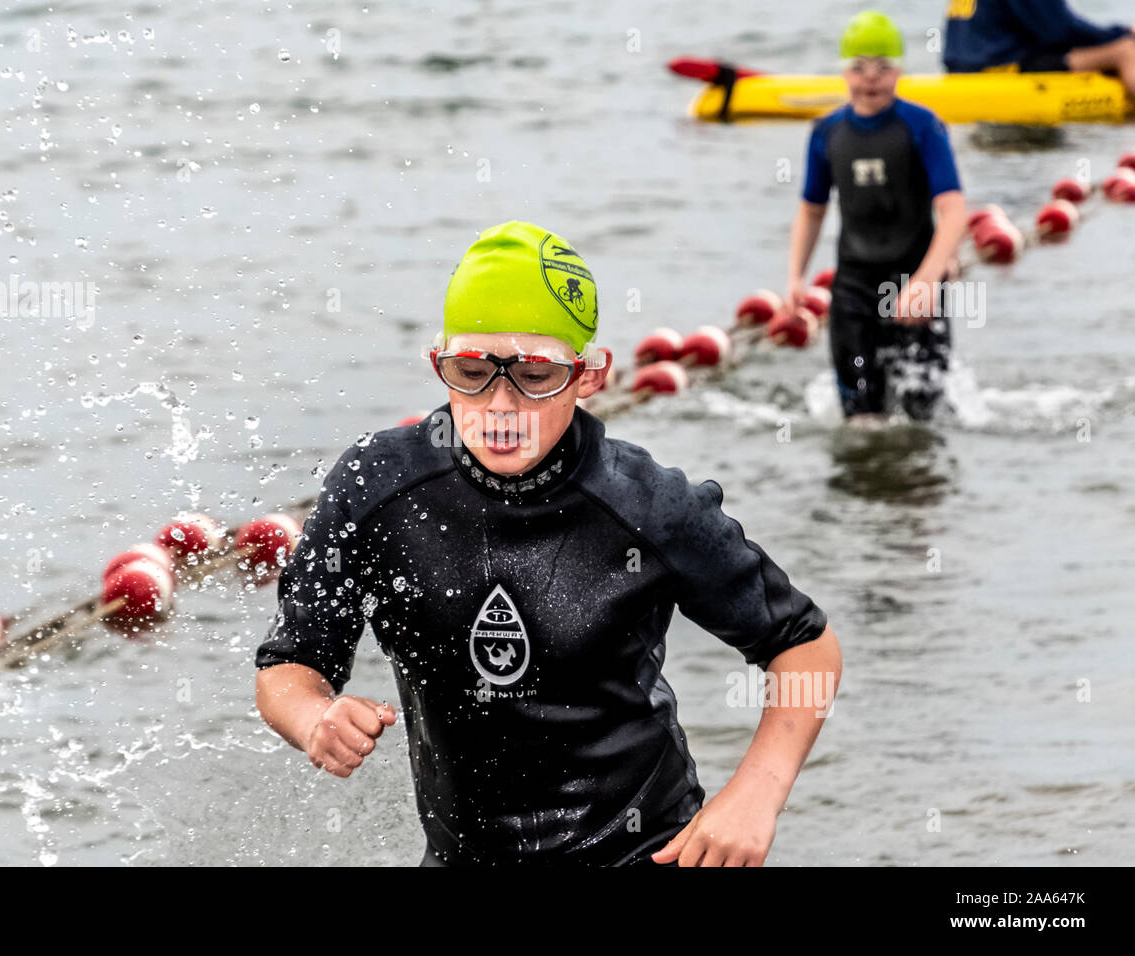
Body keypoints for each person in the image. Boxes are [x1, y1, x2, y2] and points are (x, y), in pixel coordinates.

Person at [253, 220, 842, 866]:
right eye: (472, 370)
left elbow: (804, 648)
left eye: (535, 376)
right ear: (437, 365)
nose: (500, 405)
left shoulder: (646, 505)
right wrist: (314, 719)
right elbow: (288, 666)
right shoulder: (378, 490)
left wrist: (756, 795)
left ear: (590, 375)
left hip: (642, 849)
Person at [787, 11, 966, 423]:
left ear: (899, 71)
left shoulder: (923, 127)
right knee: (862, 422)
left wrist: (926, 281)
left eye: (883, 67)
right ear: (843, 71)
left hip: (914, 283)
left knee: (923, 420)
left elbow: (953, 210)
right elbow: (812, 210)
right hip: (853, 289)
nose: (871, 78)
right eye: (859, 67)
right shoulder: (827, 133)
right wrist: (795, 278)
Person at [943, 0, 1135, 98]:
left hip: (960, 71)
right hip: (1002, 69)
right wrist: (1122, 34)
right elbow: (1061, 31)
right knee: (1126, 51)